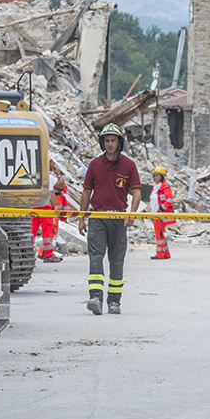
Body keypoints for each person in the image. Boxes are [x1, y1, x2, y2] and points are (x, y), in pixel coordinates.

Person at [78, 123, 142, 315]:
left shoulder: (129, 165)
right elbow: (86, 192)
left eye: (113, 140)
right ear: (102, 143)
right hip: (97, 217)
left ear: (119, 142)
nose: (110, 144)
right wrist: (82, 218)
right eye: (107, 140)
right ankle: (95, 297)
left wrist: (131, 213)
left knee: (116, 261)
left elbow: (137, 192)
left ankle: (114, 302)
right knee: (95, 258)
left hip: (118, 218)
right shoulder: (95, 165)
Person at [32, 159, 64, 263]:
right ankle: (48, 254)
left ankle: (28, 251)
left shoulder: (36, 175)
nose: (54, 164)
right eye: (52, 162)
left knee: (32, 231)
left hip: (35, 206)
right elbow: (58, 188)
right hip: (45, 207)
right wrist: (58, 175)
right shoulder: (49, 177)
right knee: (48, 232)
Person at [149, 166, 175, 260]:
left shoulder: (165, 188)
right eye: (154, 175)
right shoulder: (155, 187)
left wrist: (161, 208)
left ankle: (160, 254)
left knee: (159, 233)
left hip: (159, 214)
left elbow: (169, 200)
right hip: (155, 213)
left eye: (157, 175)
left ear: (162, 177)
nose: (155, 177)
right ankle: (166, 253)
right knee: (160, 233)